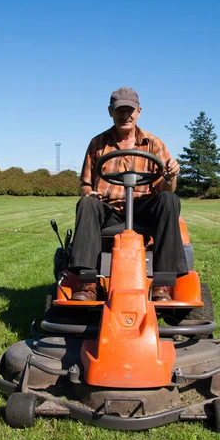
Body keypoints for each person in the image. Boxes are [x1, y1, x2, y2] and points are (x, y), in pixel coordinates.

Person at [70, 87, 188, 301]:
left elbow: (166, 188)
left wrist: (170, 176)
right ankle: (87, 284)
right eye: (120, 110)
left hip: (143, 207)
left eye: (129, 110)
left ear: (139, 111)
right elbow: (84, 185)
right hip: (109, 209)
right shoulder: (97, 144)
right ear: (110, 111)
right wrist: (90, 193)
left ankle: (163, 284)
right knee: (86, 203)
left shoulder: (154, 144)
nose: (125, 115)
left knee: (170, 199)